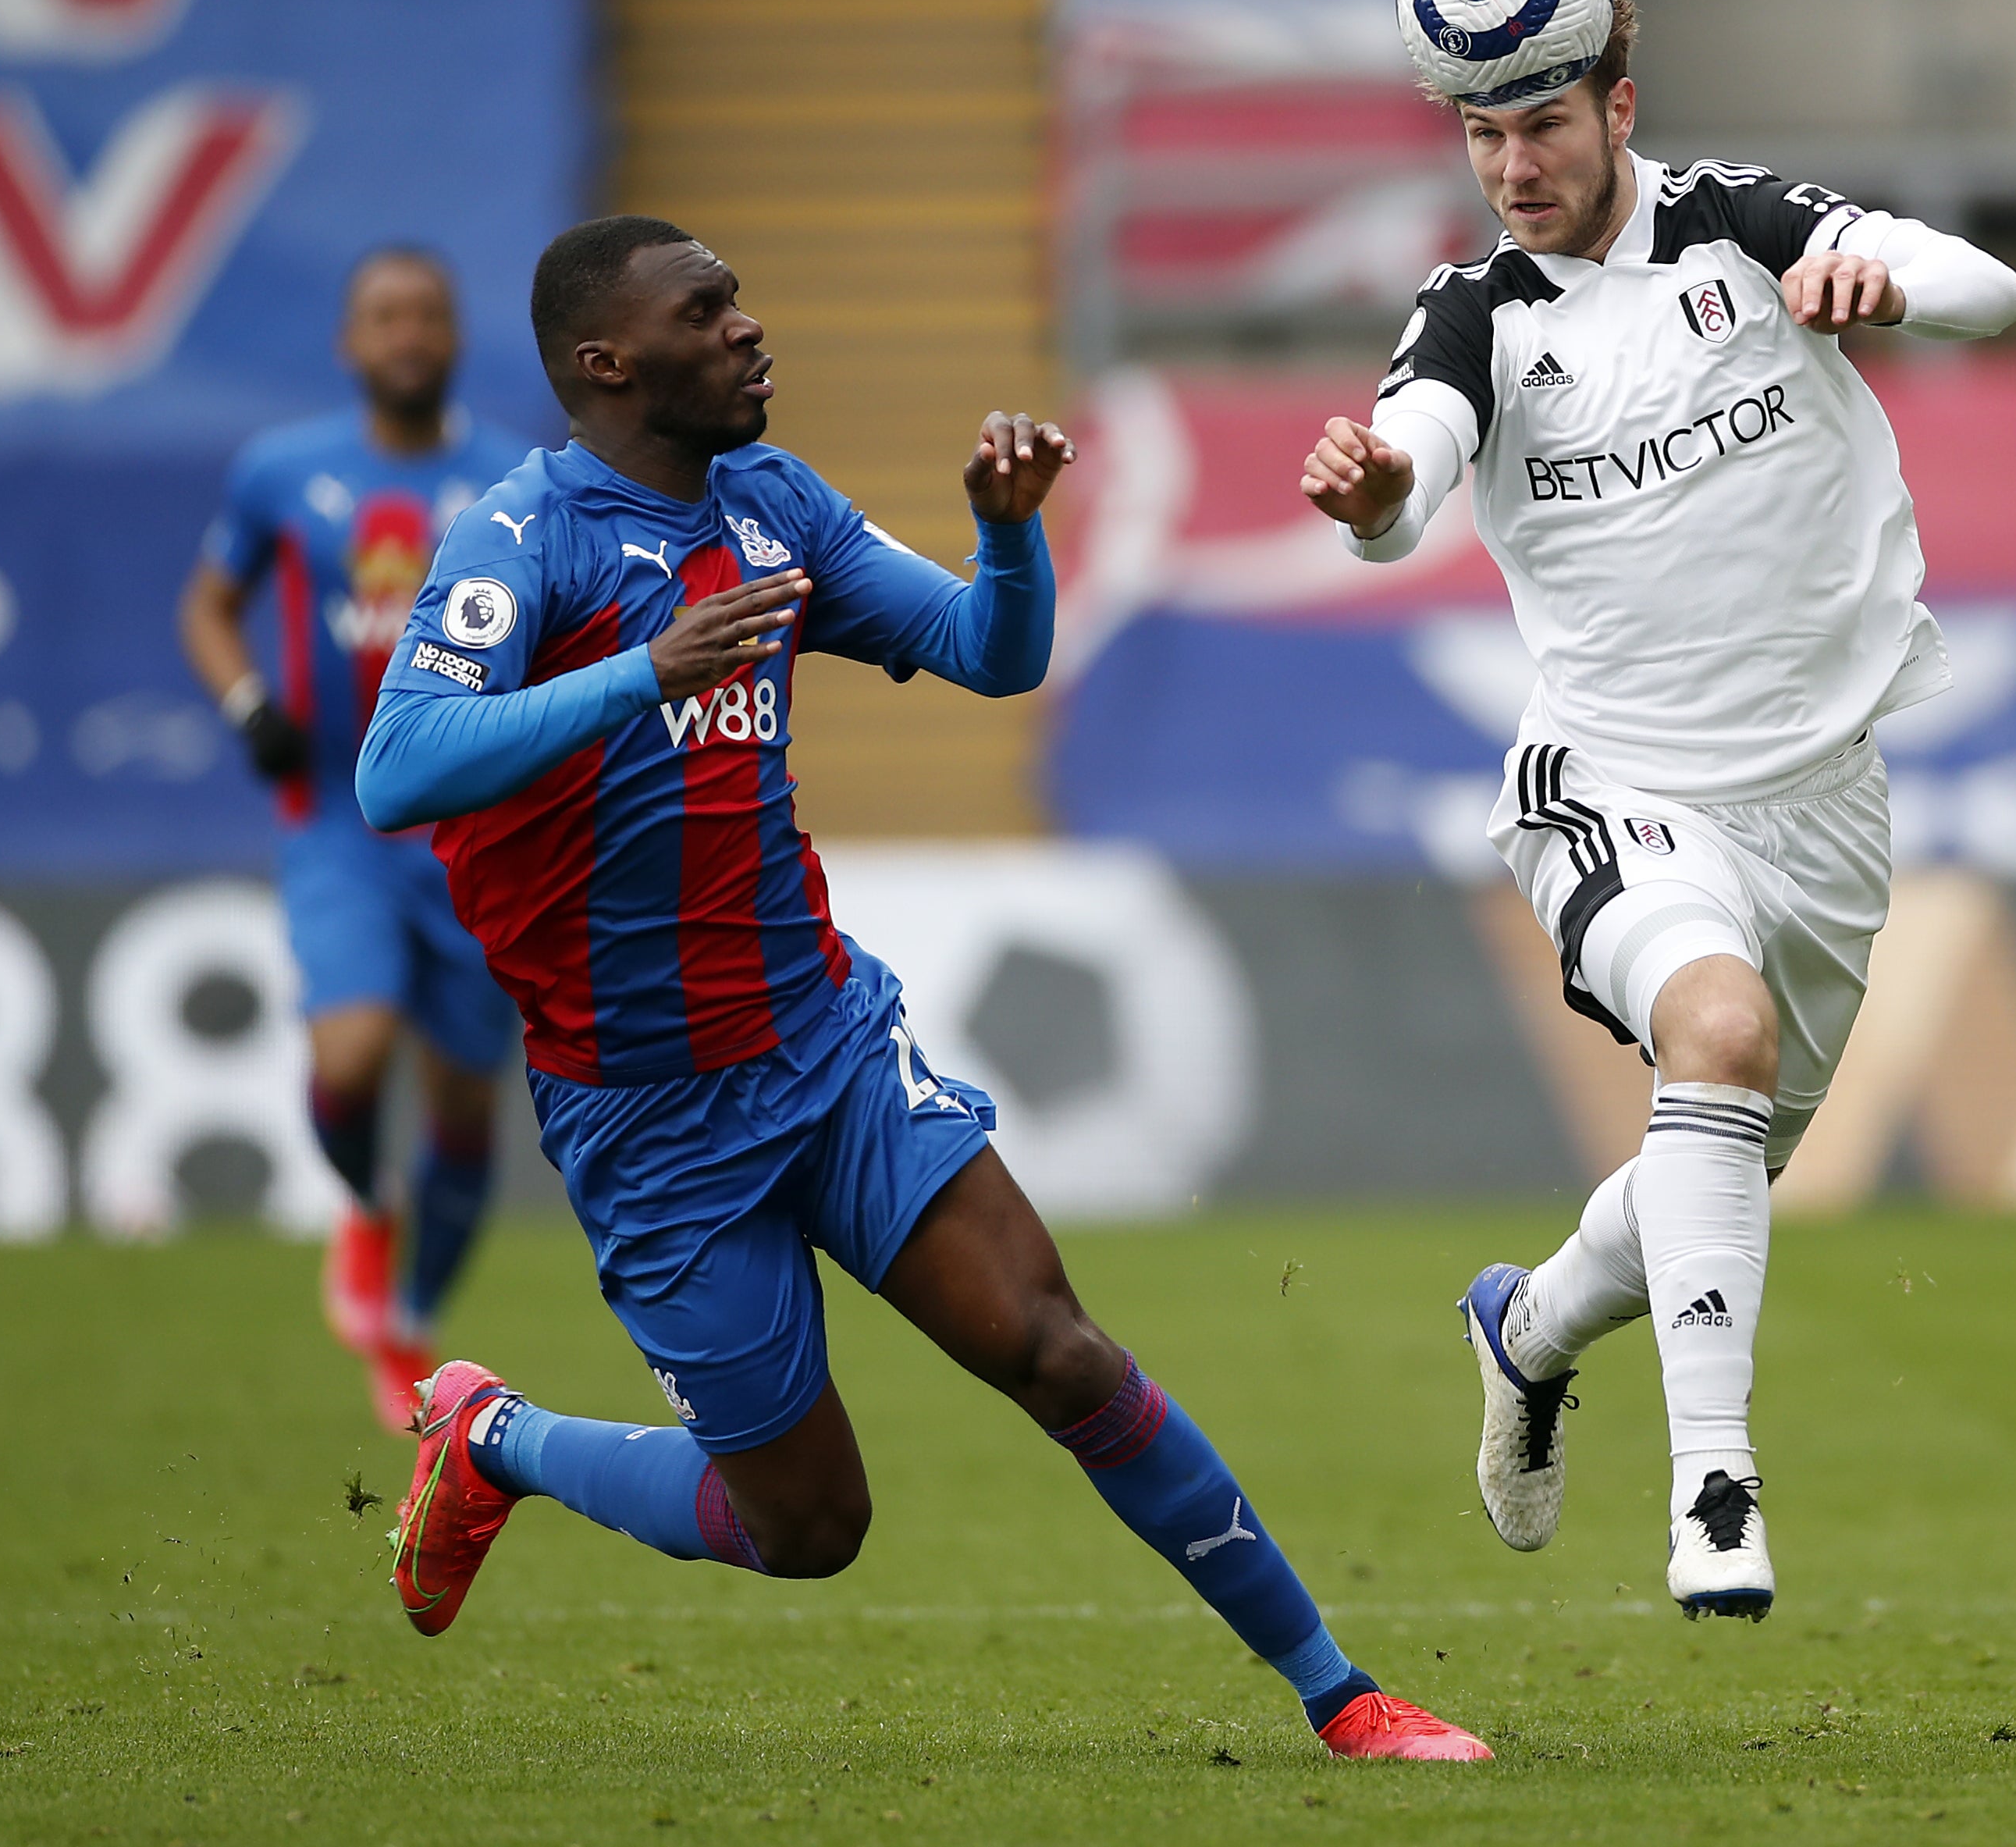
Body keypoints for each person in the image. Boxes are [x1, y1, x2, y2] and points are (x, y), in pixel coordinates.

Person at [354, 214, 1488, 1762]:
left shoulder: (772, 503)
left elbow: (986, 651)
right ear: (605, 361)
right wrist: (644, 672)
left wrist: (1006, 533)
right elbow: (394, 768)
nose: (750, 326)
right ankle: (497, 1439)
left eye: (741, 295)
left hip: (822, 1047)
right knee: (809, 1525)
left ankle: (1340, 1695)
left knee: (1058, 1348)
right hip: (648, 1117)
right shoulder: (521, 539)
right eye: (707, 309)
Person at [1299, 0, 2016, 1618]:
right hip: (1608, 782)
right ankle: (1715, 1491)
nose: (1511, 166)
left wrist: (1878, 276)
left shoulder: (1742, 229)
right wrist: (1376, 490)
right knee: (1709, 1029)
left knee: (1719, 1161)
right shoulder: (1475, 314)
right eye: (1482, 133)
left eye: (1541, 122)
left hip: (1822, 806)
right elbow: (1409, 462)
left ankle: (1528, 1326)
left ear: (1619, 105)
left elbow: (1984, 289)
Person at [179, 245, 532, 1427]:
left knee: (468, 1106)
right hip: (338, 818)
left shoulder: (512, 482)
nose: (408, 334)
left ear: (457, 336)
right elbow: (207, 603)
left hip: (474, 836)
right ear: (349, 341)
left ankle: (414, 1322)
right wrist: (247, 705)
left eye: (428, 313)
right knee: (350, 1053)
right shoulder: (281, 473)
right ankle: (367, 1214)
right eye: (385, 315)